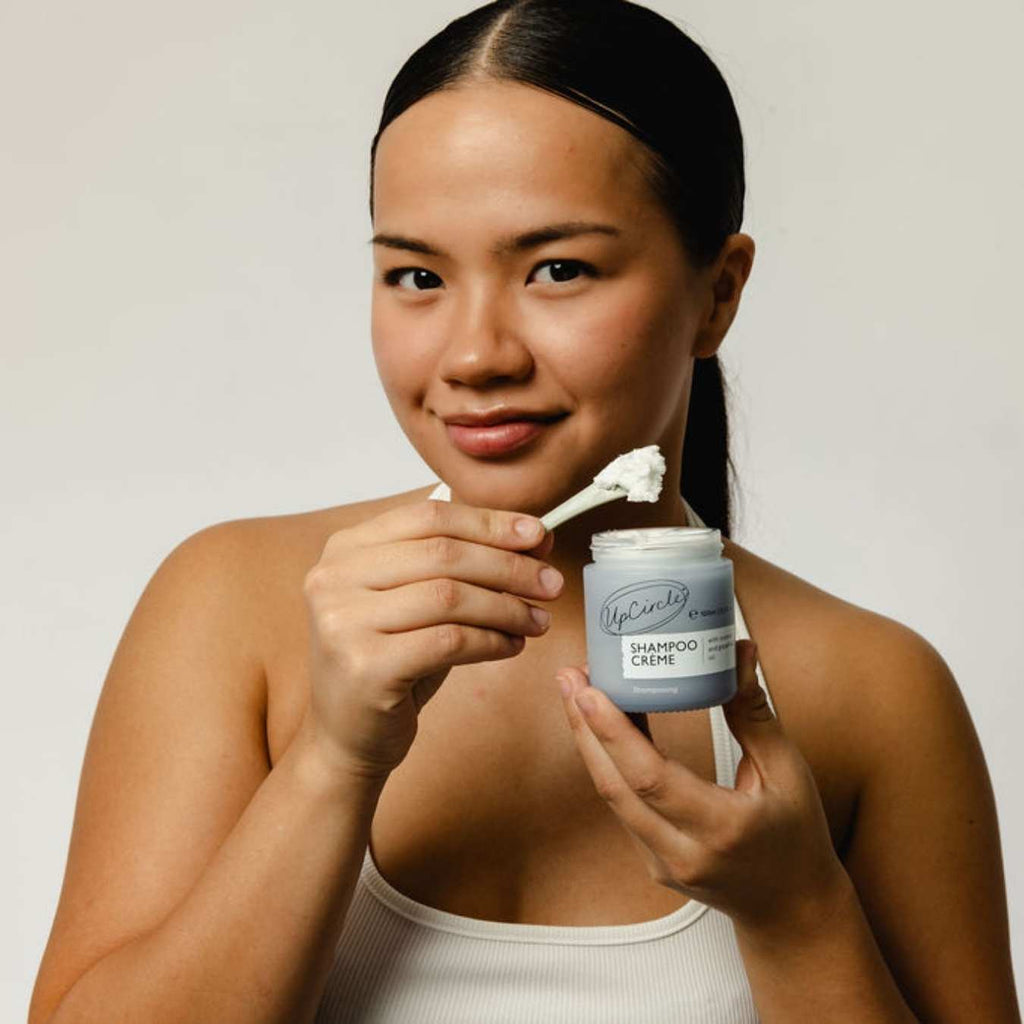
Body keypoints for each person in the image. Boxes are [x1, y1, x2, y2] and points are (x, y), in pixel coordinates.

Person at [29, 1, 1020, 1022]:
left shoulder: (869, 691)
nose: (474, 356)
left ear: (717, 293)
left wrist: (796, 910)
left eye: (558, 269)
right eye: (416, 275)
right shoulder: (239, 608)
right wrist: (330, 763)